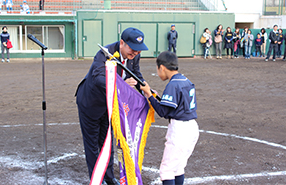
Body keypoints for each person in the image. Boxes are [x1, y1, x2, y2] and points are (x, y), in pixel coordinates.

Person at [75, 27, 148, 185]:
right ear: (122, 43)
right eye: (133, 49)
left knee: (107, 142)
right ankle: (97, 179)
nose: (135, 53)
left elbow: (135, 73)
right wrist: (122, 85)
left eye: (138, 51)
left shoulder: (134, 56)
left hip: (111, 107)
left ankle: (109, 177)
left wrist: (146, 90)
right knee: (93, 145)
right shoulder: (104, 53)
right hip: (91, 104)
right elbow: (98, 78)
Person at [140, 51, 199, 185]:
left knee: (166, 170)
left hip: (180, 130)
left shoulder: (172, 84)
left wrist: (149, 95)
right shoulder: (185, 80)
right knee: (178, 168)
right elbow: (173, 105)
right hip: (192, 127)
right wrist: (155, 97)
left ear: (162, 67)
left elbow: (163, 112)